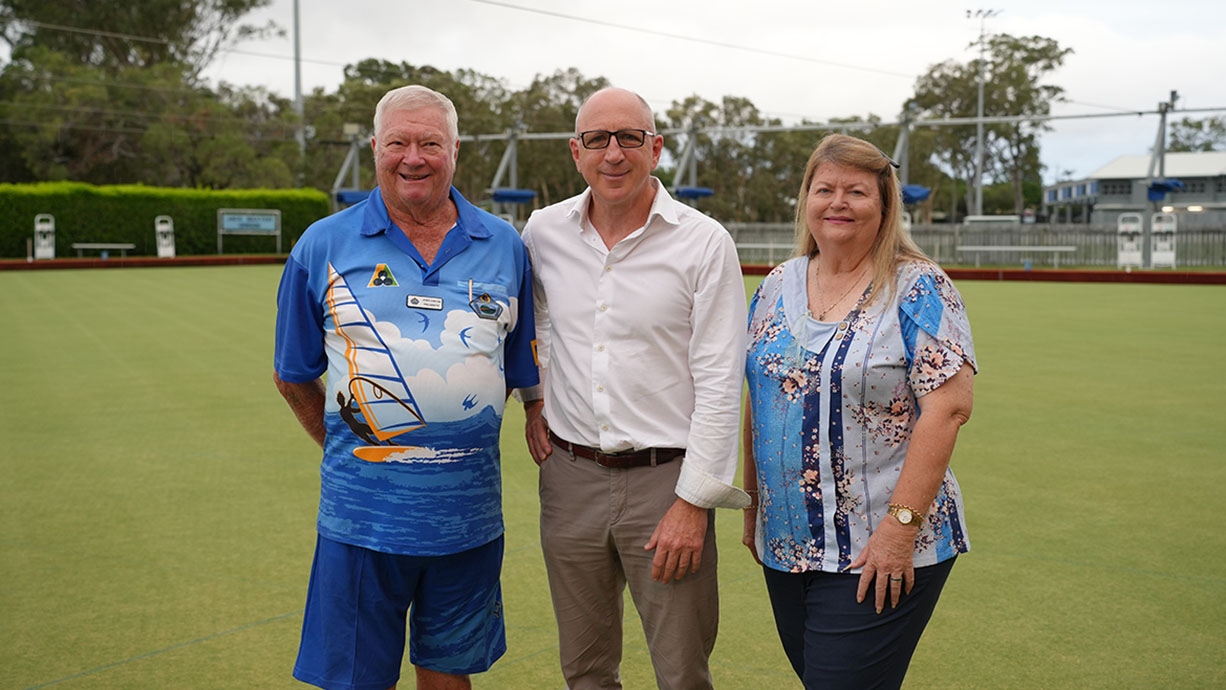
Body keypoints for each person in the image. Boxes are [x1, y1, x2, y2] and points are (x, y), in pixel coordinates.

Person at [272, 84, 538, 690]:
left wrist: (538, 414)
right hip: (360, 524)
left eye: (429, 144)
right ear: (375, 148)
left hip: (468, 524)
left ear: (455, 151)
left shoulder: (503, 244)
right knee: (358, 681)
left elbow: (522, 372)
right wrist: (358, 444)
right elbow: (293, 375)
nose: (412, 157)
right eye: (398, 142)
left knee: (448, 678)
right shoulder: (322, 243)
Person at [518, 87, 750, 690]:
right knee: (586, 672)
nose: (613, 153)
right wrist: (536, 399)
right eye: (598, 139)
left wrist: (694, 503)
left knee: (681, 674)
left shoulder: (703, 242)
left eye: (629, 138)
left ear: (656, 147)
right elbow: (535, 322)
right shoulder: (543, 231)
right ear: (576, 152)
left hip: (666, 484)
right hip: (570, 479)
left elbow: (722, 380)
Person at [742, 133, 977, 689]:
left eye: (856, 191)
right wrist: (753, 508)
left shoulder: (919, 286)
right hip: (788, 546)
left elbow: (948, 408)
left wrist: (899, 531)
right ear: (806, 200)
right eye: (824, 189)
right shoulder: (775, 286)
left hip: (881, 545)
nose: (838, 202)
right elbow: (758, 400)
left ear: (885, 204)